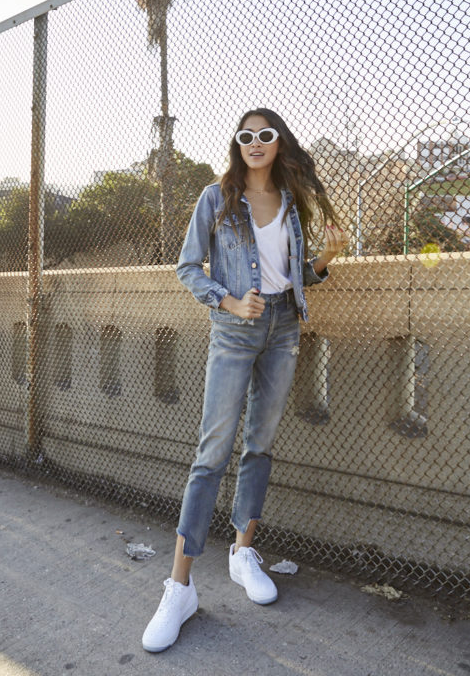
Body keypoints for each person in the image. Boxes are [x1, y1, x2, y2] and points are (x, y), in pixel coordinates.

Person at [142, 108, 348, 652]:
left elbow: (293, 276)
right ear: (237, 144)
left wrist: (326, 257)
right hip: (234, 332)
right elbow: (187, 267)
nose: (255, 143)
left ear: (280, 143)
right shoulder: (216, 198)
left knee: (259, 445)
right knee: (212, 451)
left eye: (266, 135)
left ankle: (241, 553)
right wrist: (230, 300)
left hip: (284, 330)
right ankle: (179, 587)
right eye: (246, 136)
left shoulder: (292, 203)